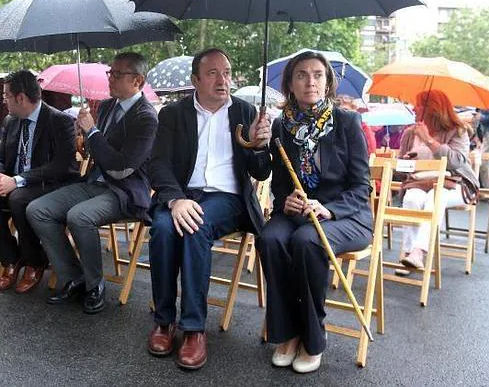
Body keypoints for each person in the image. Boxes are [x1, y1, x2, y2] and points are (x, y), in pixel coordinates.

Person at [147, 47, 271, 370]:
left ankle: (193, 329)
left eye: (227, 73)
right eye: (213, 73)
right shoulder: (173, 115)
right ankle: (163, 321)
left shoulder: (245, 112)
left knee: (196, 227)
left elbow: (261, 172)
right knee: (161, 227)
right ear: (195, 80)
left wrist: (261, 146)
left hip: (227, 198)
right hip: (183, 193)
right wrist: (175, 199)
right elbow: (158, 164)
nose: (223, 80)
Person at [256, 51, 372, 374]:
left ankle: (312, 336)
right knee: (270, 238)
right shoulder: (281, 126)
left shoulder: (347, 123)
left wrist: (328, 209)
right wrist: (285, 202)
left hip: (345, 216)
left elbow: (361, 188)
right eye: (302, 75)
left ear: (328, 82)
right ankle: (286, 332)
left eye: (318, 74)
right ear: (290, 85)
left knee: (308, 241)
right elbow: (279, 184)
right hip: (297, 214)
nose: (311, 81)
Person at [27, 52, 157, 314]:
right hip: (96, 182)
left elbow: (121, 169)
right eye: (111, 72)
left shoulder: (147, 118)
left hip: (126, 192)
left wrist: (93, 132)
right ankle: (73, 276)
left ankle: (94, 285)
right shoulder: (107, 105)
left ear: (138, 81)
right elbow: (98, 153)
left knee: (79, 216)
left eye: (118, 74)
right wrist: (84, 136)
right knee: (37, 209)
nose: (111, 78)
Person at [0, 70, 78, 293]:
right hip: (16, 183)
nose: (3, 100)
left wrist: (18, 179)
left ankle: (35, 262)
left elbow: (63, 166)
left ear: (20, 98)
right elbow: (2, 158)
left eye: (6, 95)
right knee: (14, 195)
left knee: (18, 198)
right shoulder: (11, 120)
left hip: (51, 184)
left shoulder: (59, 120)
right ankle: (10, 259)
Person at [397, 90, 479, 270]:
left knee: (435, 196)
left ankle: (418, 252)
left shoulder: (457, 131)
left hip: (456, 183)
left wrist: (428, 140)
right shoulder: (410, 133)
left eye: (418, 104)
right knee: (411, 198)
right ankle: (409, 255)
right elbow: (400, 169)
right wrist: (405, 163)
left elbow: (457, 161)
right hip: (419, 181)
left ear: (433, 109)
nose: (413, 108)